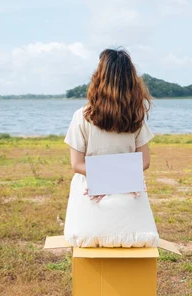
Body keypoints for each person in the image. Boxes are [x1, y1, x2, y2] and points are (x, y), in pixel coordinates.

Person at [63, 48, 158, 248]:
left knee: (79, 236)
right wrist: (119, 179)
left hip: (88, 214)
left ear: (98, 78)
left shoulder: (82, 116)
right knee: (142, 235)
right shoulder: (136, 117)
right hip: (132, 213)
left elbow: (77, 164)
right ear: (132, 82)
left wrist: (104, 180)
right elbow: (145, 161)